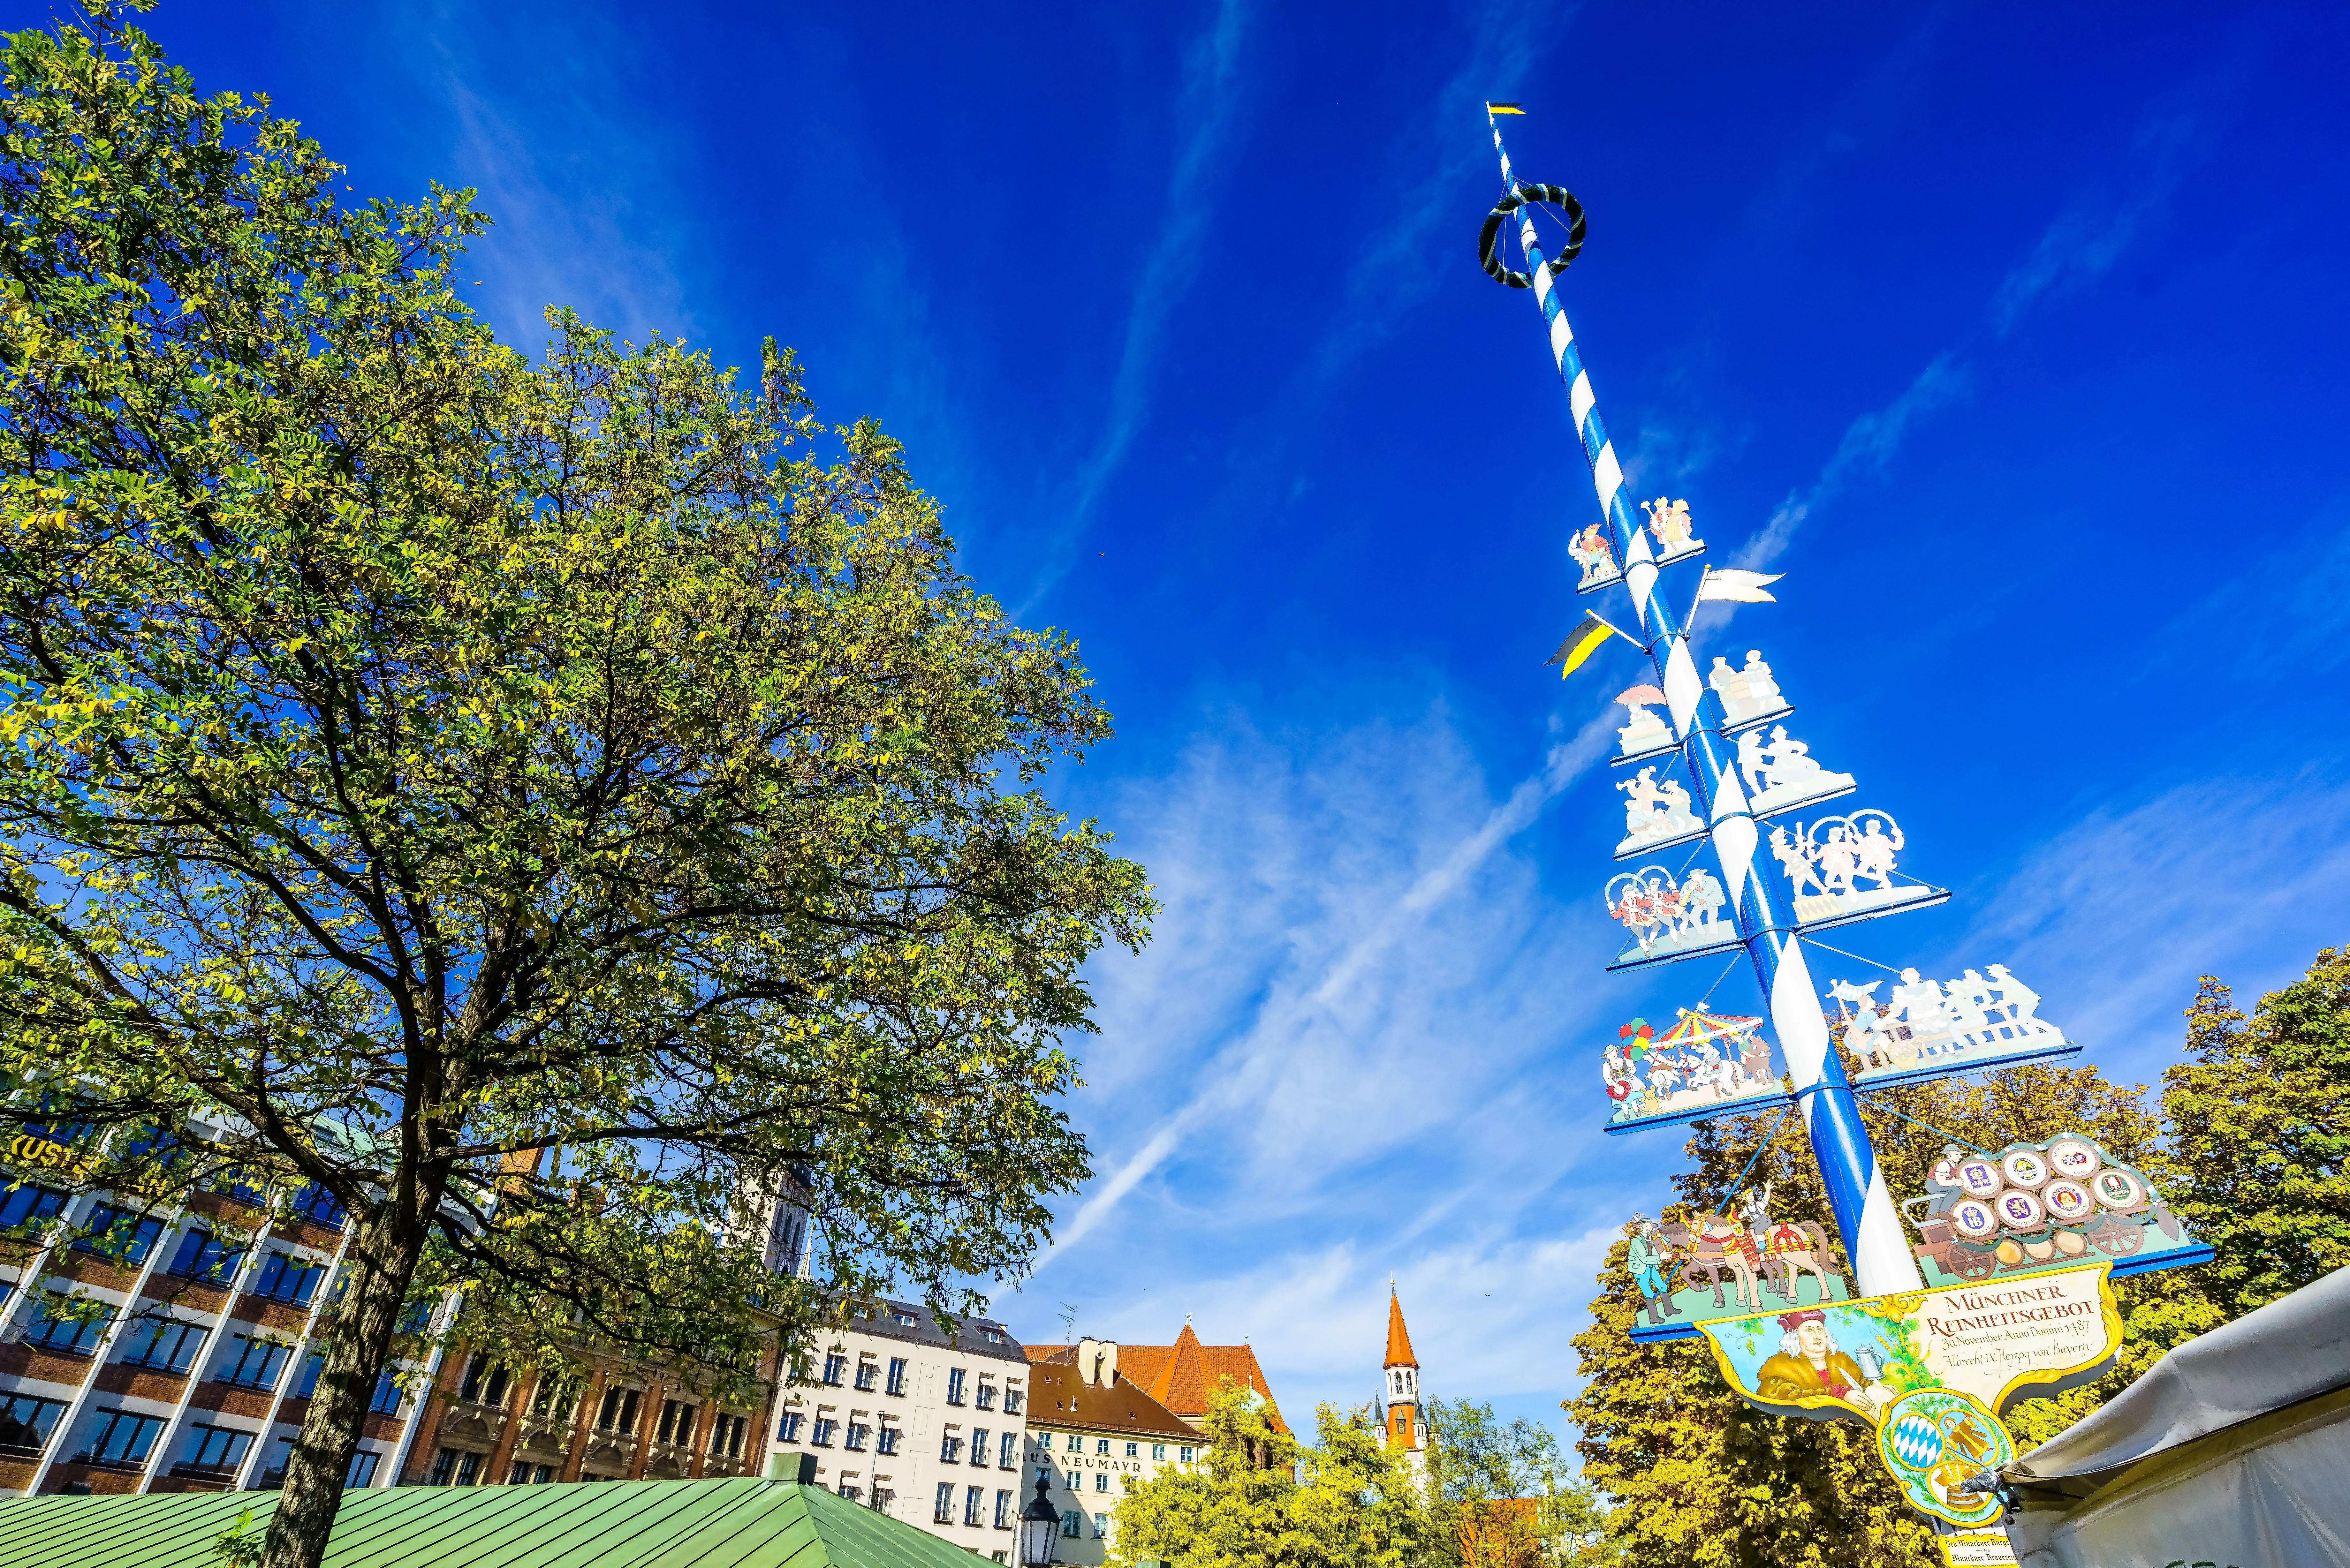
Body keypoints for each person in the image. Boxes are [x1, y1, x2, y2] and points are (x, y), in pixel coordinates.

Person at [1755, 1310, 1891, 1413]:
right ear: (1794, 1337)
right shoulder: (1780, 1367)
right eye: (1809, 1330)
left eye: (1820, 1330)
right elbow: (1784, 1398)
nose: (1818, 1336)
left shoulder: (1841, 1361)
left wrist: (1876, 1389)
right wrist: (1840, 1395)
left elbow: (1859, 1383)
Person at [1626, 1216, 1679, 1325]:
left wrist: (1663, 1256)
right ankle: (1654, 1318)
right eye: (1647, 1226)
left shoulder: (1651, 1240)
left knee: (1663, 1286)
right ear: (1641, 1228)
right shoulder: (1636, 1241)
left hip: (1652, 1267)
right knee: (1649, 1293)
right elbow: (1644, 1258)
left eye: (1651, 1226)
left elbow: (1655, 1253)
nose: (1650, 1228)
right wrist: (1661, 1257)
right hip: (1641, 1270)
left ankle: (1669, 1310)